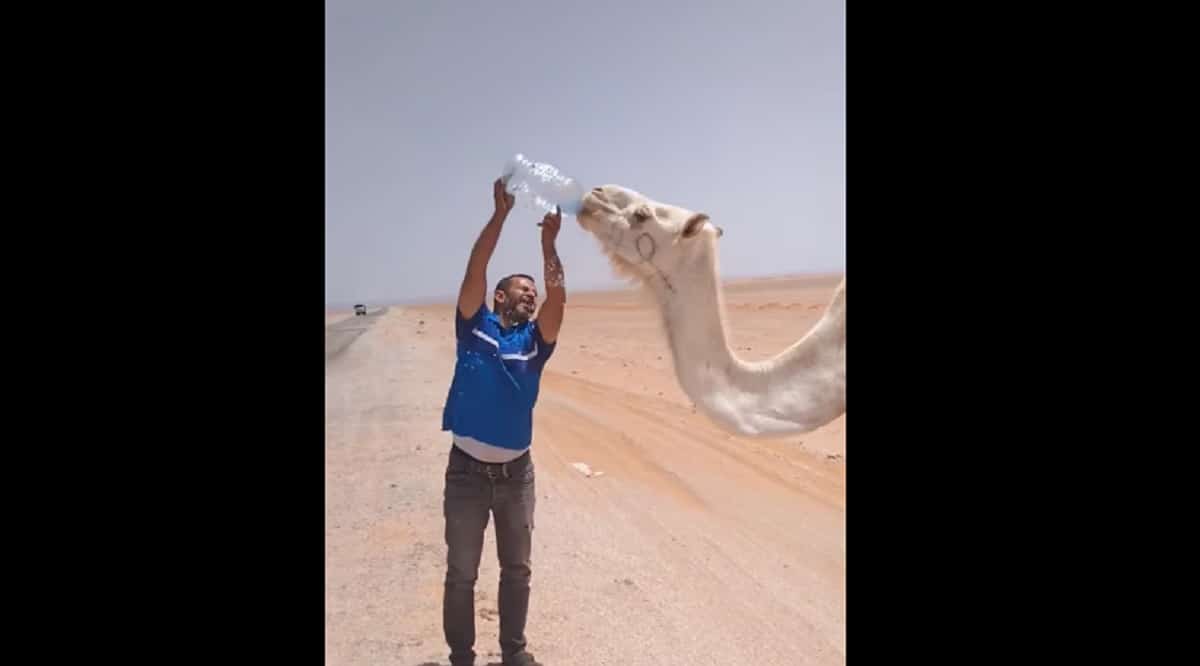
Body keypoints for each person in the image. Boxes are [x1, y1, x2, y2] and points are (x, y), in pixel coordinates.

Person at [439, 178, 565, 666]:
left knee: (517, 570)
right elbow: (476, 266)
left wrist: (548, 247)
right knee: (462, 573)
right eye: (522, 288)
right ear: (499, 295)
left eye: (533, 291)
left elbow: (558, 300)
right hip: (466, 473)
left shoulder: (537, 343)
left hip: (517, 476)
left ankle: (514, 653)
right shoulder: (473, 326)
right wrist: (501, 215)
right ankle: (461, 658)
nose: (531, 295)